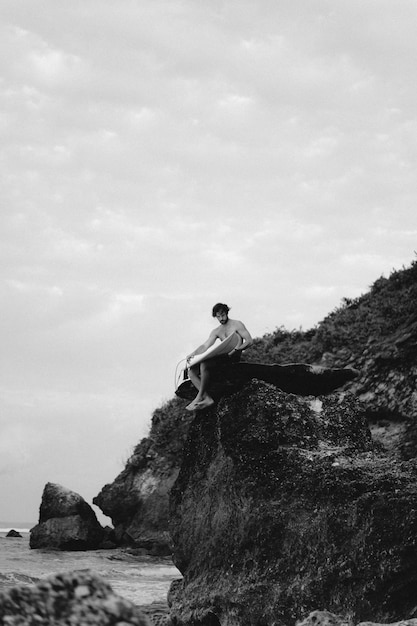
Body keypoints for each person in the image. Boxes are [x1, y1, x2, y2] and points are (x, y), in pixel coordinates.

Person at [185, 303, 253, 411]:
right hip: (222, 357)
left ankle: (199, 396)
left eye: (223, 315)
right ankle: (207, 397)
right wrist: (193, 354)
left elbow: (249, 341)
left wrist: (237, 349)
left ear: (226, 313)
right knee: (191, 371)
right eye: (218, 316)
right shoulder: (217, 331)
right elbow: (205, 346)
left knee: (204, 364)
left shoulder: (237, 324)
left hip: (233, 358)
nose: (221, 318)